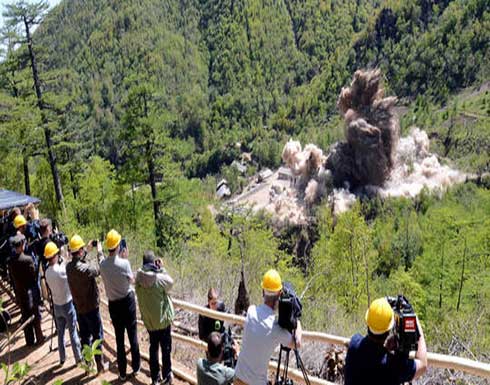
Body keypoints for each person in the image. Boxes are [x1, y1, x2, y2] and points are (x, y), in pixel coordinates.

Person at [234, 269, 302, 385]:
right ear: (280, 294)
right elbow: (297, 343)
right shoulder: (276, 329)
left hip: (238, 378)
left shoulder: (251, 311)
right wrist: (297, 320)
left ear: (263, 291)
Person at [344, 297, 428, 385]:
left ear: (368, 323)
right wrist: (413, 319)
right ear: (389, 329)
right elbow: (423, 365)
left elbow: (370, 354)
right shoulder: (395, 365)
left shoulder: (354, 343)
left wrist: (385, 348)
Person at [100, 229, 140, 381]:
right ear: (118, 246)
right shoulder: (125, 263)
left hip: (114, 305)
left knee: (119, 339)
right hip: (127, 303)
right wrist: (125, 258)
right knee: (132, 336)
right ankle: (136, 367)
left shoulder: (103, 265)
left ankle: (122, 373)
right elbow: (132, 281)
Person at [66, 234, 108, 373]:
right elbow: (98, 269)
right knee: (97, 336)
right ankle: (100, 365)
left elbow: (79, 262)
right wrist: (99, 251)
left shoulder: (68, 267)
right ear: (80, 251)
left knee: (84, 337)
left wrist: (86, 251)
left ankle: (89, 365)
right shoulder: (85, 269)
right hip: (91, 307)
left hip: (79, 307)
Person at [135, 250, 175, 385]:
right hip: (163, 322)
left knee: (153, 349)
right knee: (166, 349)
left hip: (150, 322)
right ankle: (167, 376)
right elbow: (171, 283)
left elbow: (141, 273)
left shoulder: (138, 279)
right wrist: (162, 269)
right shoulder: (159, 279)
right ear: (153, 264)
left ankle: (155, 378)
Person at [44, 241, 82, 366]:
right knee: (72, 331)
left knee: (60, 333)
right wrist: (65, 258)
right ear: (55, 255)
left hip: (56, 305)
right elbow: (69, 272)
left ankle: (62, 357)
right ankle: (78, 358)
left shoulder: (46, 272)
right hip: (67, 304)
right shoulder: (61, 270)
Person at [8, 233, 45, 346]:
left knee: (25, 317)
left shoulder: (10, 261)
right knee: (35, 316)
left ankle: (29, 341)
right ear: (22, 245)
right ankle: (39, 338)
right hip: (30, 292)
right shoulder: (28, 260)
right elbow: (33, 276)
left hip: (20, 292)